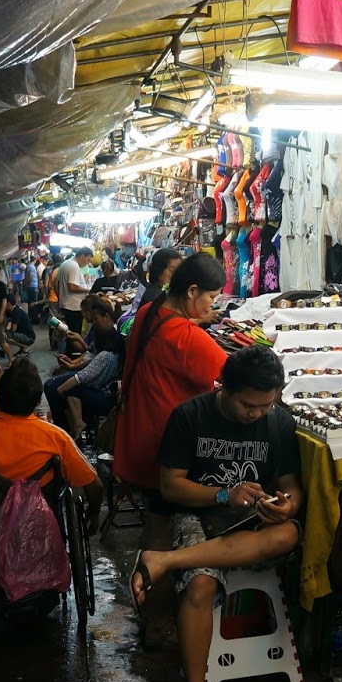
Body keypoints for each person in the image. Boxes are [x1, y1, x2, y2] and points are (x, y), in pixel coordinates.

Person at [127, 345, 303, 682]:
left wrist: (288, 504)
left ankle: (163, 561)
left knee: (289, 533)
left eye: (266, 405)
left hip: (253, 522)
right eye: (248, 405)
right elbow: (171, 486)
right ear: (224, 386)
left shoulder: (278, 422)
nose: (256, 414)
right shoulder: (190, 416)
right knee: (201, 586)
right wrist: (224, 494)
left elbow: (292, 484)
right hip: (199, 515)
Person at [113, 254, 230, 647]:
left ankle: (154, 615)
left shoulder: (149, 312)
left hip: (141, 431)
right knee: (162, 532)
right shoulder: (184, 336)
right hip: (167, 446)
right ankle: (161, 620)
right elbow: (234, 375)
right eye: (211, 298)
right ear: (192, 291)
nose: (213, 306)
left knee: (156, 522)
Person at [0, 357, 103, 518]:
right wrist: (93, 516)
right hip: (42, 529)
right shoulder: (56, 437)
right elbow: (95, 486)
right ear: (38, 401)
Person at [45, 295, 123, 438]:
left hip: (100, 389)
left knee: (55, 387)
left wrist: (63, 385)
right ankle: (69, 424)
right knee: (56, 382)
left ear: (105, 316)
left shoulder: (106, 347)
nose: (88, 318)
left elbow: (83, 374)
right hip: (92, 376)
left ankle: (66, 426)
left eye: (87, 313)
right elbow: (89, 354)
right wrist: (72, 364)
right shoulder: (103, 340)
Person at [55, 247, 94, 333]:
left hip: (66, 305)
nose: (88, 263)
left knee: (68, 333)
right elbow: (72, 287)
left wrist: (60, 298)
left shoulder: (65, 263)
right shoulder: (74, 266)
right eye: (88, 260)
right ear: (82, 256)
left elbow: (56, 283)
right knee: (74, 334)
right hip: (73, 308)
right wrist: (88, 290)